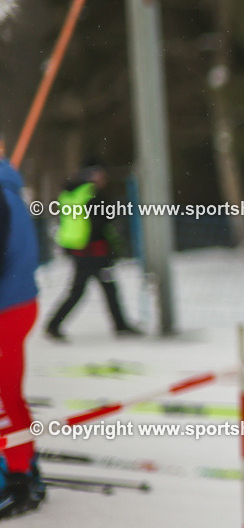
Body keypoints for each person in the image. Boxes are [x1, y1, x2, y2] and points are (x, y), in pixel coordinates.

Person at [45, 162, 141, 340]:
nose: (104, 179)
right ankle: (54, 324)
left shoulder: (69, 193)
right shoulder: (93, 194)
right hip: (95, 251)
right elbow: (102, 222)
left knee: (100, 289)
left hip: (78, 249)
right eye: (101, 174)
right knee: (90, 289)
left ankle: (119, 325)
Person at [0, 158, 46, 518]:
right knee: (8, 394)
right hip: (17, 303)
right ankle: (25, 466)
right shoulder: (9, 187)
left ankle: (18, 478)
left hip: (7, 308)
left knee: (4, 399)